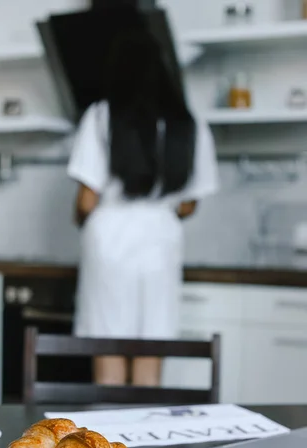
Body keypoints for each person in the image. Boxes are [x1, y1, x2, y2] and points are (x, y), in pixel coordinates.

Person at [68, 27, 218, 388]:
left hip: (108, 235)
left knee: (107, 344)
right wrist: (161, 210)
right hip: (161, 237)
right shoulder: (188, 123)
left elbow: (87, 200)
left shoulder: (101, 116)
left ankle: (106, 444)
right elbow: (189, 202)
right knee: (153, 342)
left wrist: (84, 218)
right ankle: (143, 443)